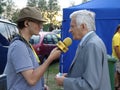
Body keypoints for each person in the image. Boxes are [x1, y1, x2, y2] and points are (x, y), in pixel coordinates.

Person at [4, 6, 61, 90]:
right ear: (26, 23)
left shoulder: (25, 44)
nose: (41, 26)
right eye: (38, 23)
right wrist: (50, 58)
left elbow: (31, 73)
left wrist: (40, 86)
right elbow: (31, 79)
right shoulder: (18, 46)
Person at [55, 10, 111, 90]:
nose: (69, 30)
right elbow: (89, 74)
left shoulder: (92, 45)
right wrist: (69, 76)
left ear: (83, 26)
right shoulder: (89, 42)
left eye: (72, 26)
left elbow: (90, 85)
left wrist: (64, 82)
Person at [112, 24, 120, 90]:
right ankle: (116, 86)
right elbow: (116, 48)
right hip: (117, 58)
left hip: (118, 58)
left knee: (118, 72)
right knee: (117, 73)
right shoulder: (117, 36)